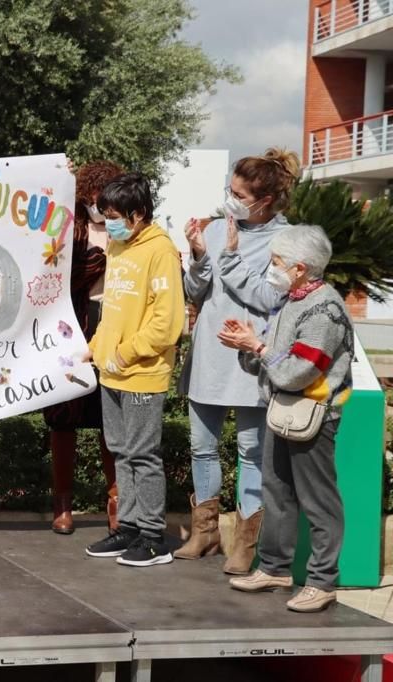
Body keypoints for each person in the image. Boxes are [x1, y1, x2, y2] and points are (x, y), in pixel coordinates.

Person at [176, 148, 301, 573]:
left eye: (237, 193)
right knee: (201, 447)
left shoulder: (287, 241)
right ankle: (205, 532)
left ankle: (245, 544)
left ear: (263, 201)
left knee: (251, 451)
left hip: (250, 360)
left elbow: (268, 298)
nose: (229, 199)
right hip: (209, 354)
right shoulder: (214, 230)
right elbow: (196, 294)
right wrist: (196, 255)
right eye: (228, 190)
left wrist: (228, 256)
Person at [222, 224, 353, 613]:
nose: (272, 268)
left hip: (313, 416)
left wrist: (257, 345)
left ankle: (323, 581)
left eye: (277, 262)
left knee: (319, 500)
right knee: (276, 492)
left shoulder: (325, 309)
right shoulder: (290, 300)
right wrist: (248, 344)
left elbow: (298, 371)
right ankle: (275, 568)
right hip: (282, 412)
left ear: (300, 267)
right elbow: (270, 363)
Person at [83, 173, 184, 568]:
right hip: (111, 372)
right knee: (121, 451)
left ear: (137, 214)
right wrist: (93, 350)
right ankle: (127, 527)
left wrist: (126, 354)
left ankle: (154, 537)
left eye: (112, 215)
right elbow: (113, 310)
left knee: (143, 454)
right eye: (104, 214)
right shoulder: (118, 247)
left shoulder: (160, 250)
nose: (107, 222)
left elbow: (167, 322)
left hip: (142, 373)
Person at [44, 160, 122, 535]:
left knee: (111, 418)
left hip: (114, 324)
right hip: (71, 327)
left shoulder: (127, 228)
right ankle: (62, 504)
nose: (98, 204)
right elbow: (52, 273)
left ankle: (116, 500)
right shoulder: (68, 227)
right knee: (64, 417)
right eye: (93, 196)